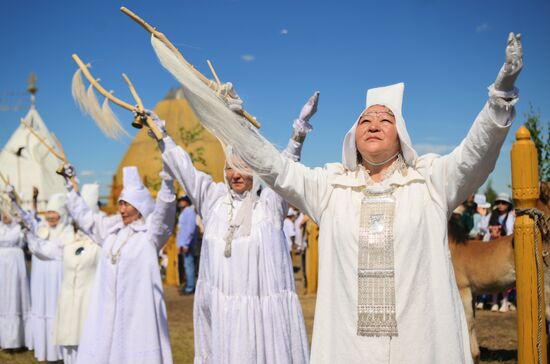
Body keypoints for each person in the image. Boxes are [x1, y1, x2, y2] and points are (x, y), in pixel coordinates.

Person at [178, 33, 522, 363]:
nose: (373, 124)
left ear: (401, 134)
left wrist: (501, 93)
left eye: (385, 119)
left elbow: (476, 154)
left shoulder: (429, 181)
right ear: (352, 136)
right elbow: (275, 167)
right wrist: (238, 124)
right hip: (349, 347)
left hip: (418, 344)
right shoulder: (330, 187)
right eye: (364, 120)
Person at [157, 92, 319, 363]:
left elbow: (285, 170)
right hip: (223, 315)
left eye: (243, 167)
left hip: (262, 319)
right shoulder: (214, 201)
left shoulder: (268, 204)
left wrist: (298, 132)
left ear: (255, 170)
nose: (235, 175)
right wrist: (163, 137)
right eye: (230, 167)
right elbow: (185, 170)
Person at [63, 165, 176, 364]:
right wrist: (69, 186)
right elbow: (85, 219)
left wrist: (167, 181)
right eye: (120, 204)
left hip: (136, 311)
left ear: (140, 205)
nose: (121, 209)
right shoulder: (112, 230)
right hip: (107, 311)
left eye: (127, 204)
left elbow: (165, 214)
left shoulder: (150, 235)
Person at [17, 183, 102, 363]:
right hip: (69, 299)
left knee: (90, 337)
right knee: (71, 336)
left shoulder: (102, 241)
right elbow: (48, 250)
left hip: (91, 297)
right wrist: (30, 236)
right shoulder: (69, 239)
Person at [0, 200, 30, 351]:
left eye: (7, 214)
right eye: (2, 214)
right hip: (1, 265)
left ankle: (15, 339)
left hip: (14, 265)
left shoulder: (19, 228)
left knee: (14, 297)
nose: (4, 217)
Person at [176, 195, 198, 294]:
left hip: (186, 244)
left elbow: (190, 229)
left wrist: (186, 244)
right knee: (187, 265)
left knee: (189, 265)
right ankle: (189, 284)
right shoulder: (185, 212)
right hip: (183, 244)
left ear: (187, 202)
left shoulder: (189, 212)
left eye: (182, 200)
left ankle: (190, 287)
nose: (180, 202)